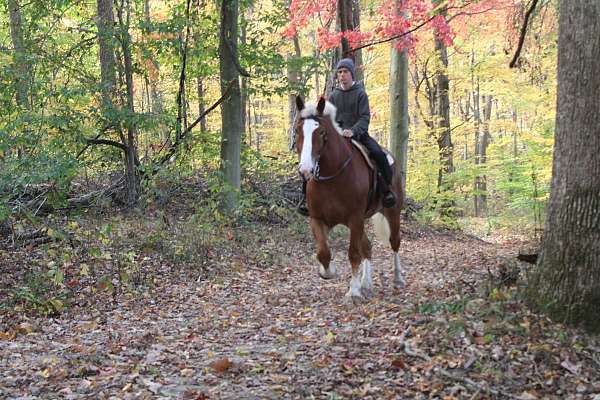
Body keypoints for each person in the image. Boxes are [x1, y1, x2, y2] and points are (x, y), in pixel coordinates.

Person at [297, 58, 396, 216]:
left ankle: (387, 191)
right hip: (338, 137)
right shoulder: (334, 95)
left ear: (351, 74)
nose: (342, 75)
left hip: (359, 135)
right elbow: (329, 119)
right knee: (312, 158)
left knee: (378, 154)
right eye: (340, 72)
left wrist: (353, 131)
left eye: (345, 72)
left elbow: (364, 118)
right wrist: (336, 131)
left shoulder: (360, 94)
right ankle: (305, 197)